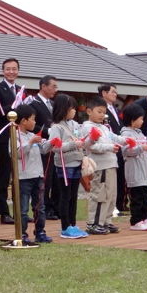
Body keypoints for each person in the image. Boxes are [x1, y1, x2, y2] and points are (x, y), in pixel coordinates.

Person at [48, 94, 88, 239]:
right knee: (65, 196)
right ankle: (65, 227)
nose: (75, 111)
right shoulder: (56, 127)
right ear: (64, 109)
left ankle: (72, 223)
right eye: (72, 108)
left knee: (73, 196)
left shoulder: (74, 124)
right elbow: (54, 147)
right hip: (64, 166)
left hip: (76, 163)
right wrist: (73, 144)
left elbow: (81, 137)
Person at [82, 96, 123, 235]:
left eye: (103, 112)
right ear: (89, 111)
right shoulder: (87, 127)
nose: (102, 115)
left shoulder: (104, 127)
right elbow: (92, 146)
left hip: (111, 164)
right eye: (99, 111)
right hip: (100, 165)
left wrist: (127, 140)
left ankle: (106, 220)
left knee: (111, 195)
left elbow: (114, 137)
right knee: (100, 195)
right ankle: (94, 222)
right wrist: (110, 147)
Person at [13, 104, 51, 244]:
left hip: (38, 176)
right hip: (23, 177)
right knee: (23, 209)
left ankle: (40, 232)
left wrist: (52, 143)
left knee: (40, 207)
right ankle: (22, 234)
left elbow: (44, 149)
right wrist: (30, 142)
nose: (35, 122)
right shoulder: (14, 135)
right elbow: (16, 153)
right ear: (23, 121)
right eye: (33, 119)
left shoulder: (32, 135)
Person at [0, 58, 21, 224]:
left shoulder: (19, 89)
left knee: (19, 174)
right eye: (8, 69)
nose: (11, 72)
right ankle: (4, 212)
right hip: (3, 136)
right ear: (3, 71)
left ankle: (19, 210)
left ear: (18, 71)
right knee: (4, 173)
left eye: (14, 69)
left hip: (19, 136)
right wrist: (13, 105)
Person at [120, 104, 147, 231]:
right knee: (136, 197)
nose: (143, 121)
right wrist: (141, 147)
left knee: (144, 195)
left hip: (144, 169)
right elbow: (126, 151)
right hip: (134, 169)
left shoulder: (140, 133)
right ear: (132, 119)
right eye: (140, 118)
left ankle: (146, 218)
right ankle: (136, 220)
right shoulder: (125, 134)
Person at [30, 75, 59, 220]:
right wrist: (48, 130)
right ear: (43, 86)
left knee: (54, 177)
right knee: (45, 178)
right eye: (53, 86)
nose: (55, 89)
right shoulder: (33, 103)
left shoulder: (53, 104)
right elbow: (30, 124)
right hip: (42, 144)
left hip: (55, 145)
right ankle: (43, 207)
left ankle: (53, 206)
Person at [99, 83, 127, 214]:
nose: (115, 94)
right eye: (113, 92)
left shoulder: (115, 108)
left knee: (121, 176)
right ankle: (112, 206)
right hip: (108, 145)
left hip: (119, 144)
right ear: (104, 93)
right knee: (110, 179)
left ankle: (121, 204)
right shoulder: (101, 109)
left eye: (116, 92)